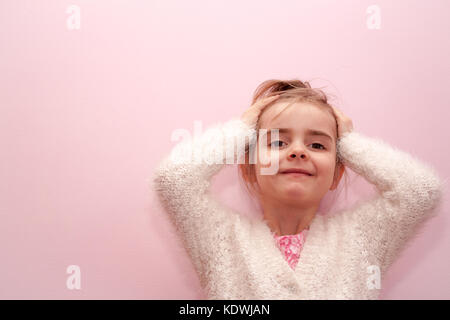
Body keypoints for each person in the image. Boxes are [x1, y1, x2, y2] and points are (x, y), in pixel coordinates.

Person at [151, 79, 445, 299]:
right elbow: (175, 179)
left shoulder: (360, 239)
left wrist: (350, 142)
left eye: (317, 144)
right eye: (278, 142)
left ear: (336, 174)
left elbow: (420, 190)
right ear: (251, 169)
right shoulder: (223, 241)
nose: (298, 152)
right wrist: (243, 127)